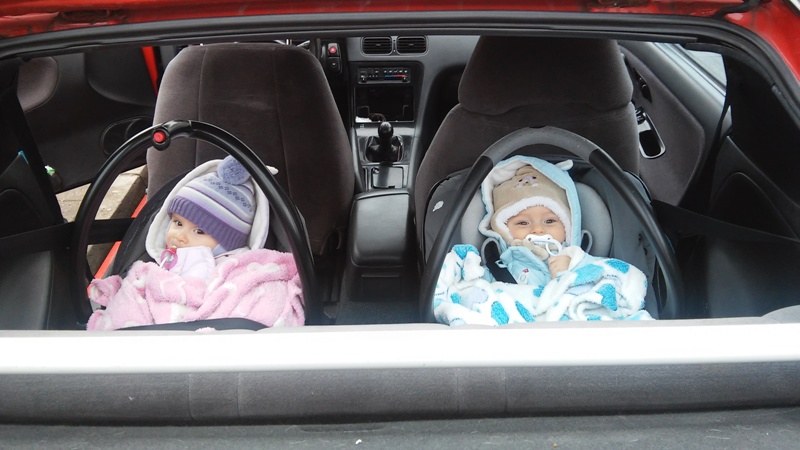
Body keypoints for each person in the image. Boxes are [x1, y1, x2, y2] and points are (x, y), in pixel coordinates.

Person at [87, 156, 304, 331]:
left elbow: (262, 307)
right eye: (177, 223)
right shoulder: (155, 268)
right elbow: (134, 299)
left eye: (199, 231)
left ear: (228, 242)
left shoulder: (242, 272)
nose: (179, 236)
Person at [433, 155, 652, 325]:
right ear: (502, 230)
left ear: (569, 229)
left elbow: (616, 279)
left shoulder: (578, 261)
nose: (538, 229)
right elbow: (478, 290)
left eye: (549, 221)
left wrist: (572, 270)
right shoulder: (497, 263)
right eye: (522, 223)